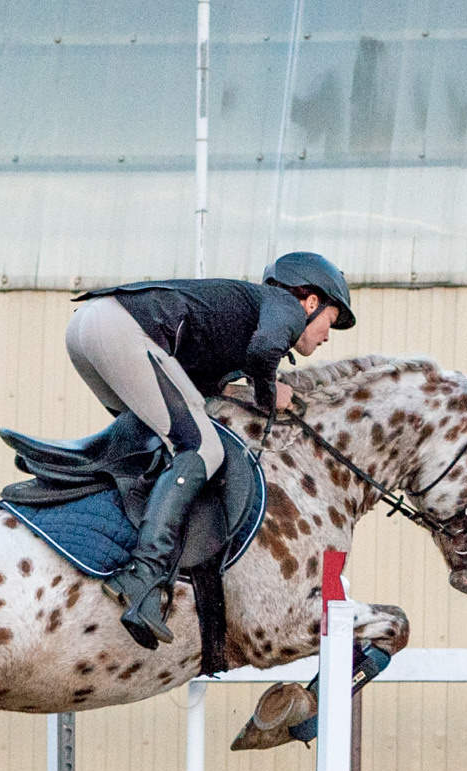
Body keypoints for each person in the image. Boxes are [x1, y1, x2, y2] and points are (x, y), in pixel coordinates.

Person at [67, 252, 356, 648]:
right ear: (310, 302)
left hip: (87, 326)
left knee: (155, 442)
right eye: (331, 321)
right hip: (121, 329)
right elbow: (263, 353)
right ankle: (142, 576)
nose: (327, 335)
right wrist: (271, 392)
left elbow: (205, 389)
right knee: (203, 449)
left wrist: (246, 391)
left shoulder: (237, 319)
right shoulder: (284, 308)